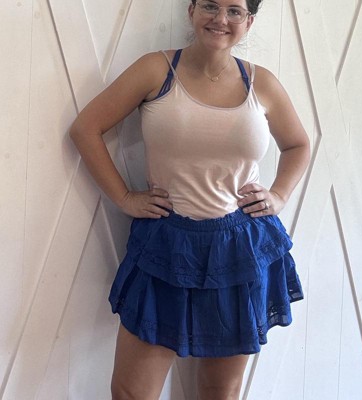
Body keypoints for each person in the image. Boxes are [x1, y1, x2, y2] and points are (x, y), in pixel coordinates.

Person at [70, 0, 310, 399]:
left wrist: (280, 195)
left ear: (249, 21)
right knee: (131, 391)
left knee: (220, 391)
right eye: (210, 6)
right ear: (191, 11)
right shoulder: (156, 70)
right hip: (167, 244)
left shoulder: (261, 82)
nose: (221, 19)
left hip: (240, 249)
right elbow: (86, 129)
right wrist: (125, 197)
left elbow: (299, 144)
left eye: (234, 10)